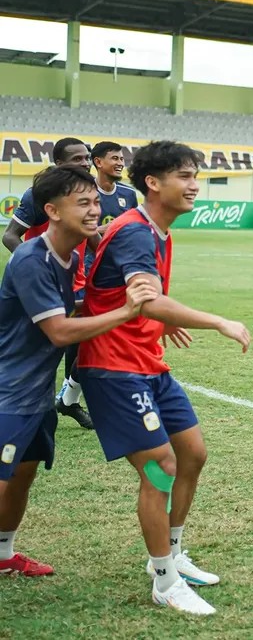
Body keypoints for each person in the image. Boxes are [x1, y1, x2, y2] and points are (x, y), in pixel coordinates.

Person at [77, 140, 251, 616]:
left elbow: (140, 297)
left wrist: (161, 319)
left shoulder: (158, 231)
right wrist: (217, 320)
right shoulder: (136, 232)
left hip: (147, 363)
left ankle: (172, 552)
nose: (194, 186)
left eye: (196, 176)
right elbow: (147, 300)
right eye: (184, 176)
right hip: (114, 368)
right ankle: (163, 579)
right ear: (153, 183)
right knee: (160, 468)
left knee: (192, 454)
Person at [0, 166, 156, 577]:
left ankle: (3, 555)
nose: (94, 211)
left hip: (35, 391)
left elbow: (72, 308)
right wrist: (126, 311)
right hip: (7, 391)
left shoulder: (70, 257)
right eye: (82, 203)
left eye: (95, 203)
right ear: (52, 211)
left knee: (23, 475)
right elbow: (59, 331)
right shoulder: (32, 259)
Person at [1, 138, 95, 430]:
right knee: (36, 344)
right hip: (43, 282)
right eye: (77, 159)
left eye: (87, 157)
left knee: (81, 342)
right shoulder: (40, 194)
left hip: (73, 278)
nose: (85, 163)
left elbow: (94, 239)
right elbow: (10, 235)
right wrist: (38, 269)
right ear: (59, 163)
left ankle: (68, 399)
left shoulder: (86, 193)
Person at [56, 142, 141, 425]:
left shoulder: (128, 195)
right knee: (84, 337)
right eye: (114, 158)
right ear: (98, 162)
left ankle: (70, 397)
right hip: (84, 275)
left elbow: (132, 231)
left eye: (122, 158)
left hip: (115, 274)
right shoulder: (82, 191)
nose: (120, 162)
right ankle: (70, 396)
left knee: (98, 338)